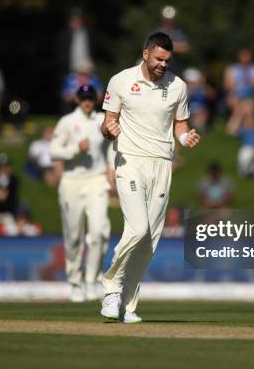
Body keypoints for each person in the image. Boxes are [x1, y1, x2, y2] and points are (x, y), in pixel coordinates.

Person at [99, 32, 200, 323]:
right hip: (130, 161)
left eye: (167, 60)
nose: (162, 65)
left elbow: (180, 125)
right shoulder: (120, 80)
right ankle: (111, 288)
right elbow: (107, 123)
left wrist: (185, 137)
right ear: (145, 54)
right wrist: (110, 130)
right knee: (138, 227)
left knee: (150, 240)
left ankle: (126, 306)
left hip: (161, 165)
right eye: (158, 58)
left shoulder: (178, 86)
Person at [50, 85, 112, 302]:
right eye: (83, 98)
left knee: (99, 231)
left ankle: (92, 280)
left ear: (95, 100)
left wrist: (112, 170)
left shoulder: (101, 120)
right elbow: (53, 151)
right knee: (74, 236)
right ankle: (75, 282)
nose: (87, 102)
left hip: (96, 180)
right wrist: (75, 148)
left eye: (90, 98)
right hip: (71, 183)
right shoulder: (67, 122)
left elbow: (113, 146)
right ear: (77, 99)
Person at [223, 49, 254, 136]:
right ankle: (248, 133)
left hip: (251, 96)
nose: (245, 59)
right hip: (235, 96)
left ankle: (232, 130)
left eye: (247, 56)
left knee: (247, 108)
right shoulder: (232, 69)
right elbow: (228, 85)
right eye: (243, 56)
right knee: (243, 108)